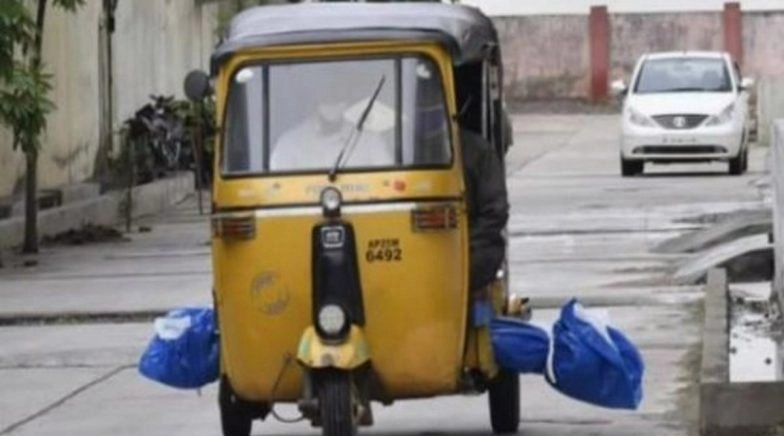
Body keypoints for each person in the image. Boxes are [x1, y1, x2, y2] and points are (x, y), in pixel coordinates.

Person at [270, 91, 394, 171]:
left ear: (347, 103)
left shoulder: (369, 139)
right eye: (327, 99)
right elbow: (276, 190)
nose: (334, 105)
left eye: (339, 99)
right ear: (316, 103)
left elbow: (387, 179)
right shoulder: (290, 143)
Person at [460, 127, 510, 299]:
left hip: (473, 246)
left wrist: (468, 243)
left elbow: (495, 211)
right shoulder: (386, 145)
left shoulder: (476, 150)